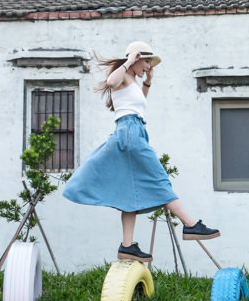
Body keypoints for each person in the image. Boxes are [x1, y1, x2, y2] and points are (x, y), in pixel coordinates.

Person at [63, 40, 219, 262]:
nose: (148, 65)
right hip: (130, 132)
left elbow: (137, 103)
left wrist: (148, 82)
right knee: (159, 179)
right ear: (136, 58)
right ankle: (191, 225)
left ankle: (127, 246)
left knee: (129, 194)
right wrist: (128, 62)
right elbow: (110, 81)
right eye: (146, 61)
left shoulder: (133, 82)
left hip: (134, 130)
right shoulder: (123, 75)